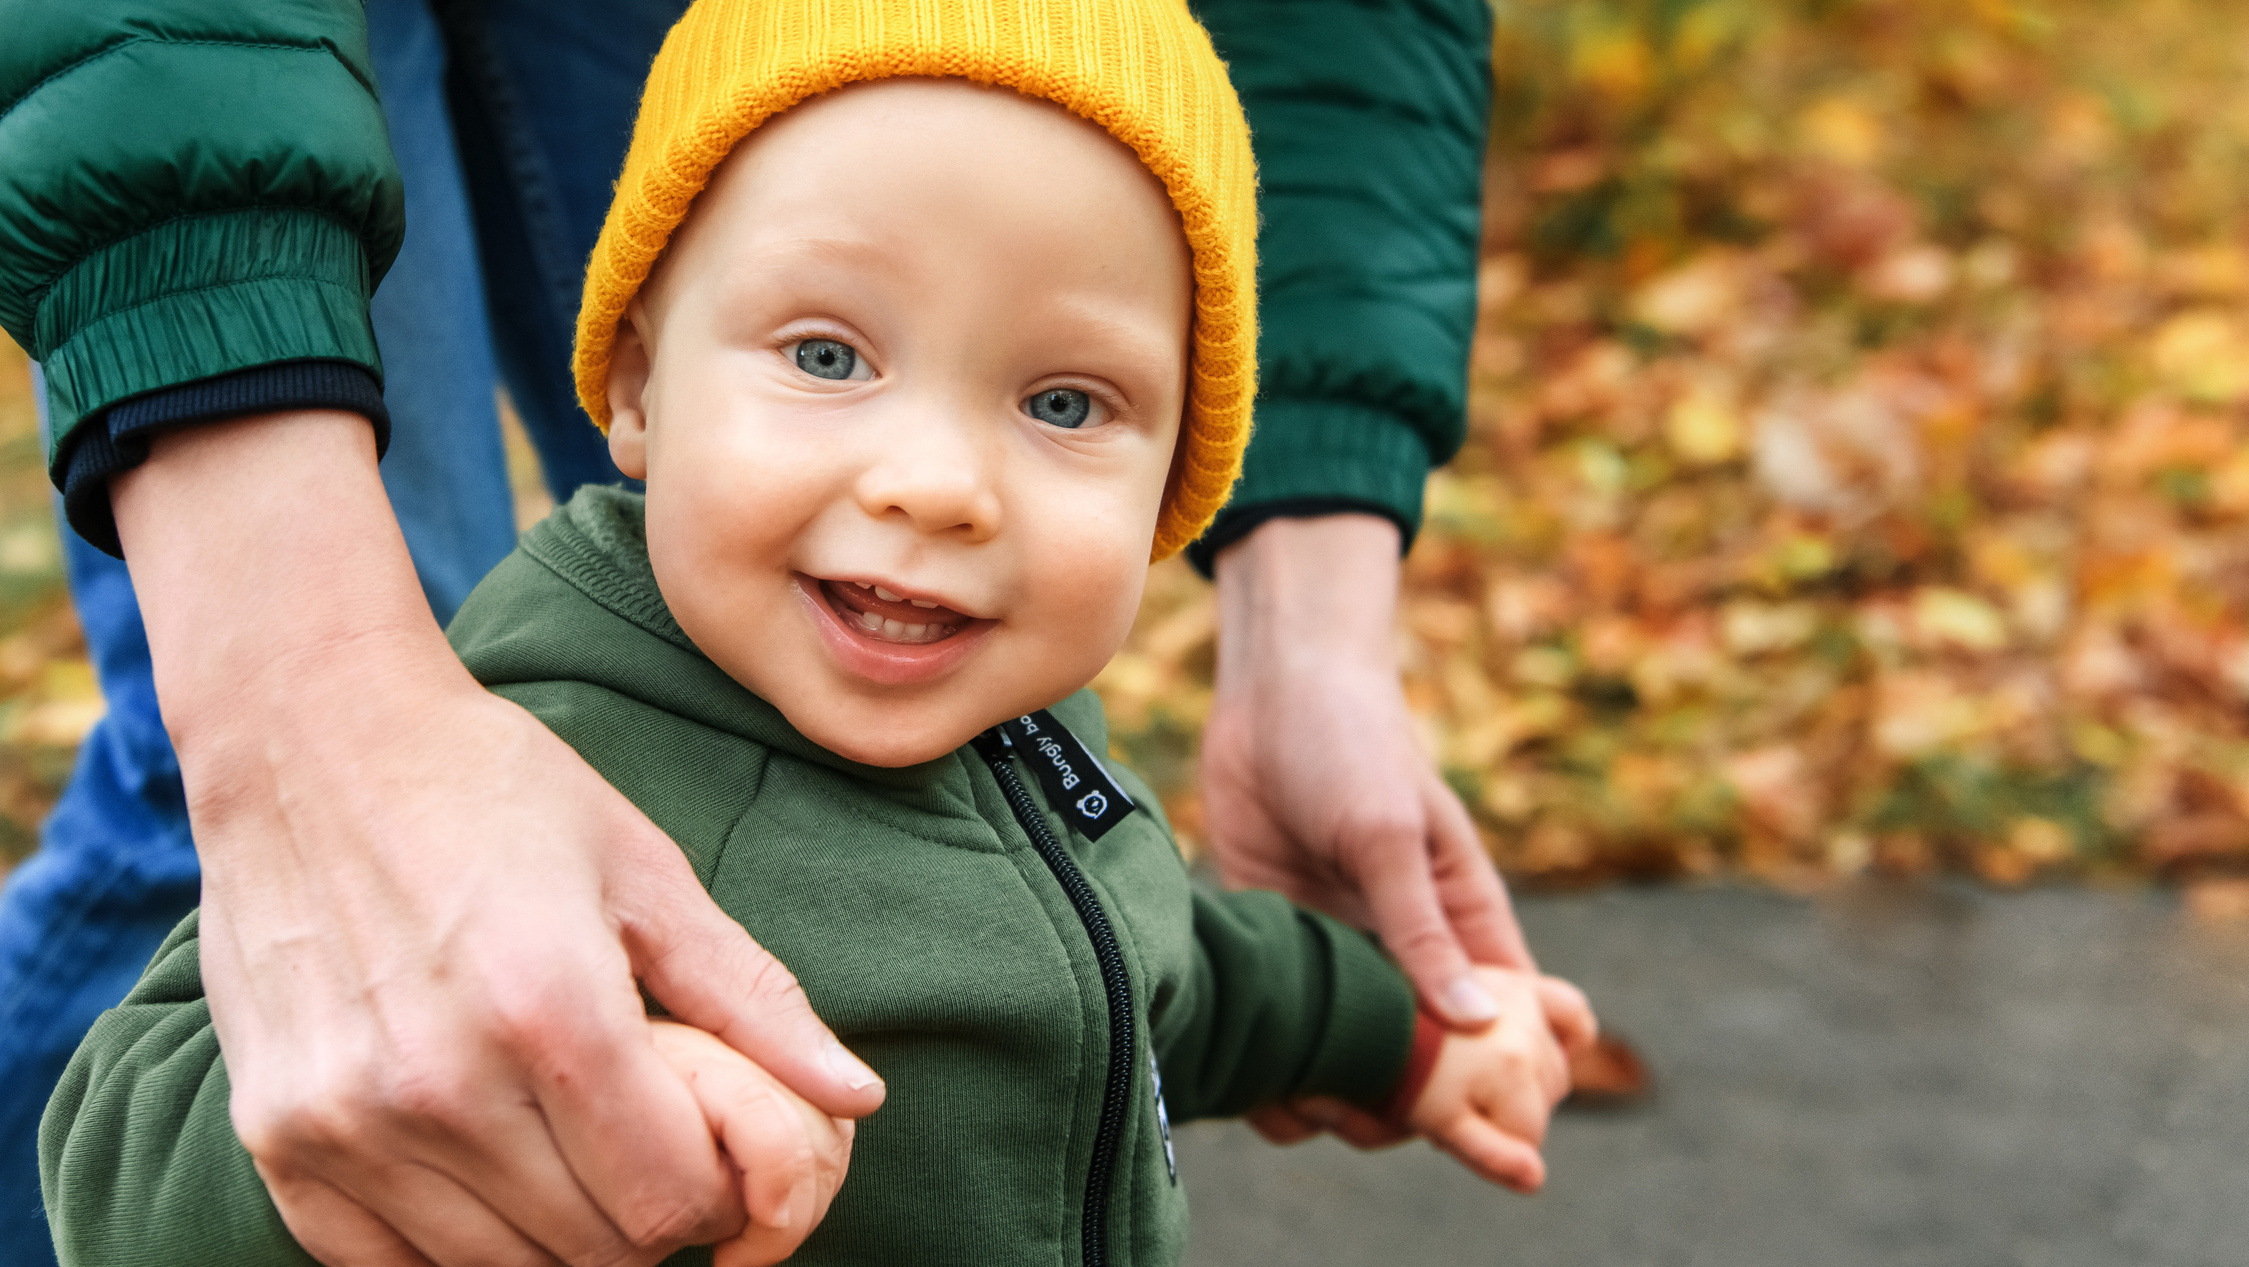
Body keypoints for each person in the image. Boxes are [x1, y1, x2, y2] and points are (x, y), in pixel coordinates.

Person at [41, 19, 1599, 1263]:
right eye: (828, 354)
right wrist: (558, 1107)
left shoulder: (1018, 742)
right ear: (638, 389)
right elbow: (131, 1152)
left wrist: (1402, 1037)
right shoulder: (548, 769)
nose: (935, 484)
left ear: (1177, 482)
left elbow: (1166, 970)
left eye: (1065, 404)